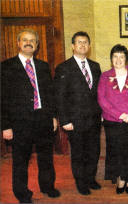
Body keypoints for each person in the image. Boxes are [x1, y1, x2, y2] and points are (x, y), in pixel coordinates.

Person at [1, 29, 60, 203]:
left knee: (46, 158)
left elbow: (49, 95)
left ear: (37, 45)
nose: (29, 43)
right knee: (21, 160)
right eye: (25, 40)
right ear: (18, 43)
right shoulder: (6, 66)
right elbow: (2, 98)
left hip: (43, 119)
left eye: (32, 40)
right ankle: (22, 193)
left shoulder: (43, 66)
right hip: (20, 123)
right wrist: (5, 125)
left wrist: (53, 117)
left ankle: (48, 186)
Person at [54, 31, 102, 195]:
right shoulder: (63, 68)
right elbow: (59, 97)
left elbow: (99, 93)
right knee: (79, 153)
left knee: (93, 151)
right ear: (73, 46)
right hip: (75, 121)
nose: (82, 45)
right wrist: (64, 120)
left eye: (85, 42)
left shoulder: (95, 67)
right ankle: (81, 183)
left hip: (94, 119)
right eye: (79, 42)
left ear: (89, 46)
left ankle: (90, 178)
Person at [97, 44, 128, 194]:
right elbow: (101, 99)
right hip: (113, 121)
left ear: (126, 59)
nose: (118, 60)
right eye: (115, 56)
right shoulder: (105, 76)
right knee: (117, 151)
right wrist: (119, 114)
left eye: (122, 56)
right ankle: (121, 178)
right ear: (111, 59)